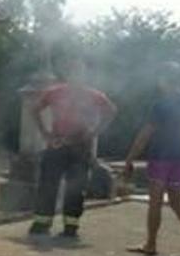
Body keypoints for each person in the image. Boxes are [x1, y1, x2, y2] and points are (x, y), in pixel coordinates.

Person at [124, 62, 180, 256]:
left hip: (161, 157)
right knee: (176, 202)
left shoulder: (161, 104)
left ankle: (151, 244)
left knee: (155, 202)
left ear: (163, 79)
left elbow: (146, 133)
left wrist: (130, 157)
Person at [28, 55, 117, 238]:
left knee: (76, 187)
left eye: (80, 71)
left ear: (85, 74)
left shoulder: (94, 95)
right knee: (48, 184)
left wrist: (94, 132)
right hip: (57, 143)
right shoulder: (55, 92)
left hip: (81, 145)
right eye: (73, 71)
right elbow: (35, 109)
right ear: (67, 74)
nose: (76, 75)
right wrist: (45, 134)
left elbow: (112, 111)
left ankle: (71, 227)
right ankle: (42, 223)